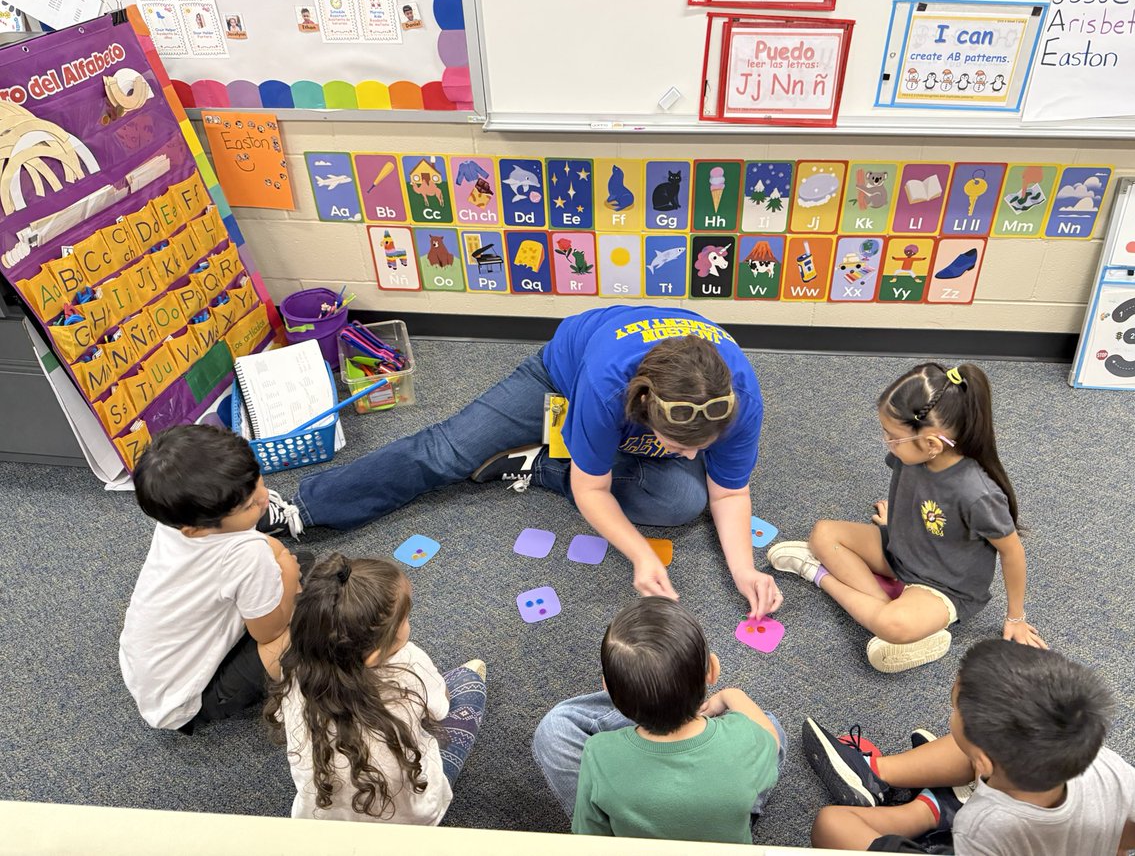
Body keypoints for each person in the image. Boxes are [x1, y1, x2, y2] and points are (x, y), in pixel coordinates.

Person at [280, 306, 782, 618]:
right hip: (561, 373)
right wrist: (640, 554)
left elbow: (730, 492)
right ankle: (305, 506)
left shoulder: (742, 401)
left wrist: (744, 572)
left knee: (683, 499)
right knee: (450, 449)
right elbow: (592, 491)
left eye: (702, 445)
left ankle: (534, 464)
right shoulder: (607, 388)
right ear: (641, 411)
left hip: (625, 401)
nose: (694, 456)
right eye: (679, 445)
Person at [801, 641, 1135, 854]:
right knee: (996, 739)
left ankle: (932, 809)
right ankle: (926, 798)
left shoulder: (985, 823)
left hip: (981, 839)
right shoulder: (1104, 764)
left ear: (983, 764)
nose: (951, 711)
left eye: (954, 707)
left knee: (830, 824)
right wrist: (1107, 837)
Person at [768, 362, 1043, 672]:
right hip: (900, 548)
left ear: (931, 444)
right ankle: (893, 614)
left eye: (892, 436)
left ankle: (817, 575)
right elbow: (923, 497)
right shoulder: (912, 453)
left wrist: (1015, 617)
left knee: (892, 625)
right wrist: (898, 518)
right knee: (823, 534)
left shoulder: (977, 493)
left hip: (944, 587)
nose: (887, 442)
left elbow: (1012, 552)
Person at [532, 597, 784, 843]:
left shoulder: (598, 753)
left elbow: (591, 837)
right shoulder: (744, 740)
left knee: (556, 725)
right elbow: (771, 740)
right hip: (723, 831)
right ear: (712, 670)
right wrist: (732, 695)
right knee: (770, 723)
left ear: (607, 689)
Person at [267, 555, 486, 823]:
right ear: (373, 655)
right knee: (468, 685)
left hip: (321, 825)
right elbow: (440, 710)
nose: (408, 624)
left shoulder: (295, 667)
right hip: (412, 819)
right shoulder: (410, 663)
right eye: (404, 619)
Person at [118, 425, 304, 732]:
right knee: (316, 617)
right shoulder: (246, 556)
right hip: (187, 702)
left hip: (147, 668)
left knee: (296, 571)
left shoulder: (177, 520)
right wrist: (285, 568)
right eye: (247, 506)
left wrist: (279, 563)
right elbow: (269, 633)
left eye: (257, 481)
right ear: (198, 528)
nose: (262, 499)